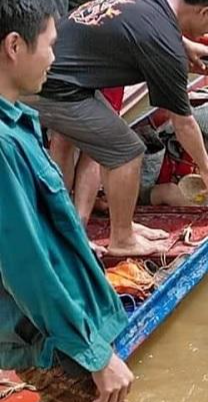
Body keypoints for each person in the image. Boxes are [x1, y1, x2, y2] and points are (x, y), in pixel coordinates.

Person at [27, 0, 208, 257]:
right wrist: (207, 170)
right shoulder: (165, 45)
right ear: (204, 12)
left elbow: (142, 28)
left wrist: (186, 45)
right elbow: (183, 122)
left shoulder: (154, 5)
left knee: (107, 146)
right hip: (53, 86)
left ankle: (110, 227)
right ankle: (122, 239)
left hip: (46, 69)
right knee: (127, 151)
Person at [0, 1, 133, 401]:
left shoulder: (19, 122)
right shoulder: (4, 145)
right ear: (14, 46)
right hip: (55, 342)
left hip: (68, 326)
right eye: (50, 45)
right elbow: (28, 267)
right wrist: (94, 356)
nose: (54, 58)